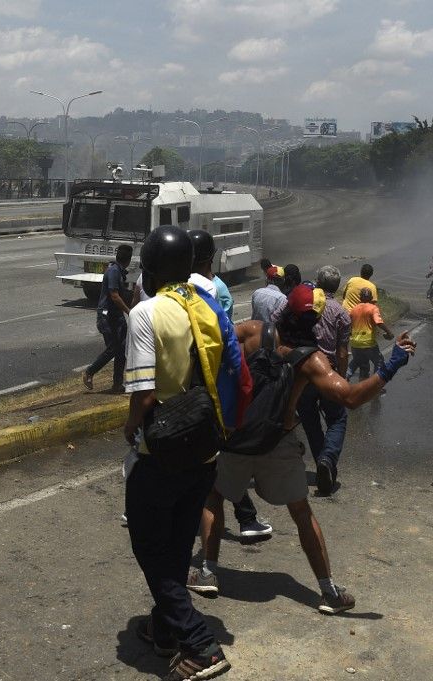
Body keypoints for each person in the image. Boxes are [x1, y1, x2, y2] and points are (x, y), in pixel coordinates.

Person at [188, 284, 416, 615]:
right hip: (278, 443)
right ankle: (328, 592)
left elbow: (205, 352)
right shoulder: (311, 360)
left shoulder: (251, 332)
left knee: (214, 496)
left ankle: (207, 572)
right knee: (301, 513)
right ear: (316, 320)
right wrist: (390, 366)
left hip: (235, 437)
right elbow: (350, 397)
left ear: (283, 311)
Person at [121, 226, 233, 680]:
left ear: (148, 272)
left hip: (161, 451)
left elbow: (144, 392)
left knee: (151, 551)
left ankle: (202, 645)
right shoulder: (205, 304)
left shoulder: (146, 312)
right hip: (204, 450)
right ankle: (165, 631)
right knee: (176, 545)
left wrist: (130, 427)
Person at [187, 229, 273, 539]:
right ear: (211, 257)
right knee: (217, 463)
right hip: (212, 387)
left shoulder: (175, 289)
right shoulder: (214, 289)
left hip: (190, 386)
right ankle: (244, 519)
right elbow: (227, 347)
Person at [297, 266, 351, 496]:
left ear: (318, 283)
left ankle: (323, 461)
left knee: (310, 421)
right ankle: (327, 460)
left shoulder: (304, 306)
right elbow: (341, 352)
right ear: (336, 287)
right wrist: (342, 377)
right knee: (337, 419)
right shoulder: (341, 313)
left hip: (304, 373)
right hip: (328, 372)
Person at [82, 244, 133, 393]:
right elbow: (114, 296)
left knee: (122, 349)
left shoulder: (119, 271)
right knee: (113, 348)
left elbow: (122, 295)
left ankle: (117, 384)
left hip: (116, 316)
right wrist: (129, 312)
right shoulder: (113, 271)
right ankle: (90, 372)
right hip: (107, 317)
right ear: (128, 260)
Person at [348, 288, 393, 382]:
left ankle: (346, 379)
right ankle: (375, 384)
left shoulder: (354, 309)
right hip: (368, 343)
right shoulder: (373, 308)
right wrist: (389, 332)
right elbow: (379, 322)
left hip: (355, 343)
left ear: (360, 297)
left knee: (361, 364)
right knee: (379, 362)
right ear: (371, 298)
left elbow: (349, 325)